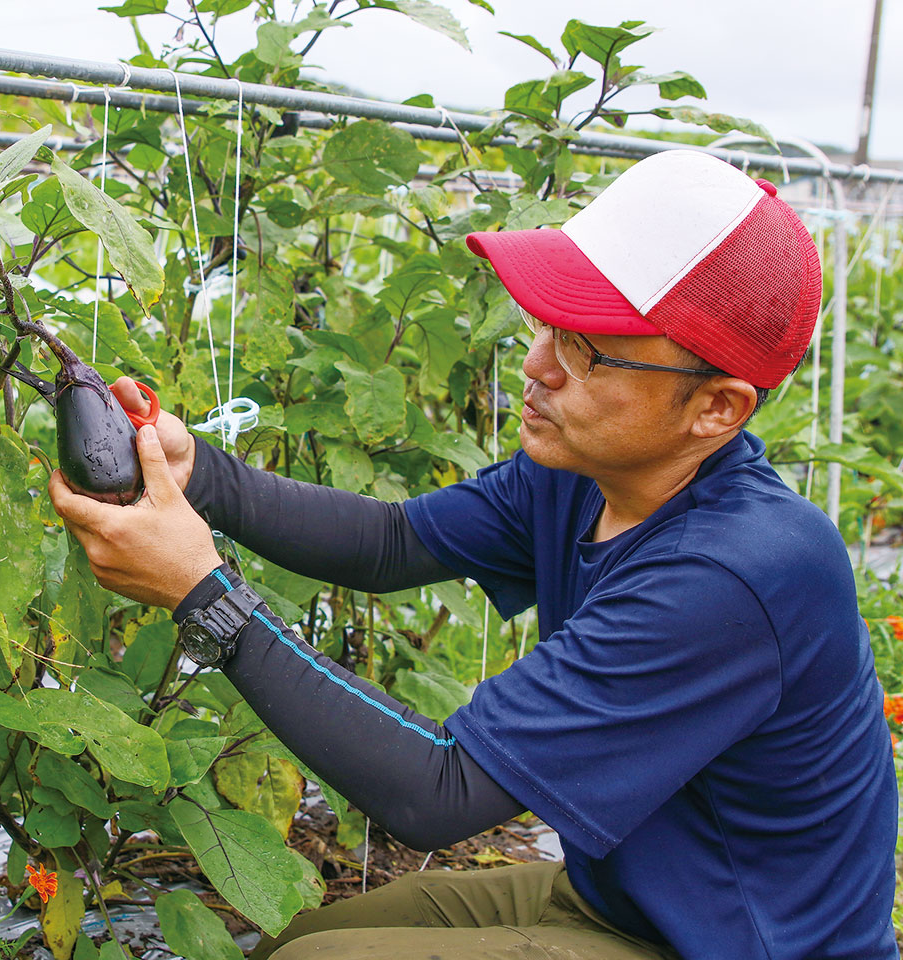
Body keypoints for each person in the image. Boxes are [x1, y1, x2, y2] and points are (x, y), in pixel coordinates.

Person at [48, 150, 899, 960]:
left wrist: (207, 597)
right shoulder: (589, 472)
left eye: (583, 347)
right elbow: (393, 542)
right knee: (295, 941)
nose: (535, 367)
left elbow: (436, 788)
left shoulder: (733, 574)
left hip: (730, 944)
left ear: (716, 407)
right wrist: (205, 477)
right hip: (623, 896)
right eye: (547, 326)